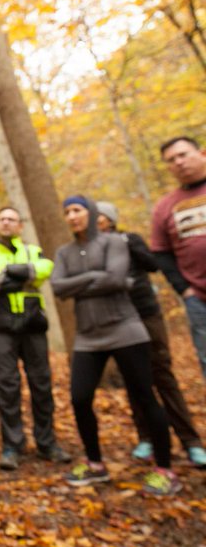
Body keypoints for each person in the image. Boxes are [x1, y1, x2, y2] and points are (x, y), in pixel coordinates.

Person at [51, 196, 180, 497]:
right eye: (67, 212)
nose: (72, 216)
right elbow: (58, 287)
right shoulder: (64, 252)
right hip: (87, 335)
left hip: (125, 329)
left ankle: (165, 469)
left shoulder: (114, 242)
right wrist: (97, 277)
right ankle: (95, 464)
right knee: (80, 398)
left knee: (144, 396)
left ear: (91, 213)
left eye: (77, 210)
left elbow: (116, 277)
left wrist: (83, 284)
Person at [96, 201, 206, 469]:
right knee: (134, 379)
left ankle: (190, 441)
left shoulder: (130, 238)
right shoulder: (92, 248)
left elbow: (152, 265)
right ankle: (146, 437)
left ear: (109, 219)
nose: (95, 222)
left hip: (146, 313)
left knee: (162, 375)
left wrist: (128, 245)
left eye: (99, 217)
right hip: (118, 318)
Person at [0, 207, 70, 470]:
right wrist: (24, 275)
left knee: (41, 382)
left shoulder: (32, 249)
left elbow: (45, 267)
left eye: (11, 219)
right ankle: (12, 445)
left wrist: (8, 275)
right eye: (1, 218)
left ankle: (47, 442)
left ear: (20, 226)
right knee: (7, 385)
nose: (5, 223)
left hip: (33, 323)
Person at [150, 136, 206, 382]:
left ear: (201, 154)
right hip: (199, 299)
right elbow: (160, 252)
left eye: (183, 155)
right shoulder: (165, 206)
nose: (179, 162)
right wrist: (184, 290)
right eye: (171, 160)